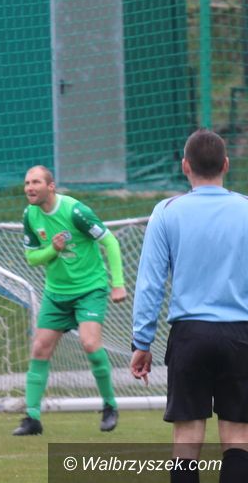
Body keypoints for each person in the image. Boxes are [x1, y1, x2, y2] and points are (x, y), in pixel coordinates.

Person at [130, 129, 248, 483]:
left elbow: (150, 284)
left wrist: (141, 342)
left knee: (186, 438)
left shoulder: (167, 212)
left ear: (185, 166)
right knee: (238, 435)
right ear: (226, 164)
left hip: (189, 335)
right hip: (240, 335)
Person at [12, 165, 126, 436]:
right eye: (27, 183)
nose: (30, 188)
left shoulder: (76, 211)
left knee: (90, 343)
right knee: (39, 348)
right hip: (56, 294)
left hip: (89, 289)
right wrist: (53, 248)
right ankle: (32, 418)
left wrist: (118, 284)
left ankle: (110, 406)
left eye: (36, 182)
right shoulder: (30, 215)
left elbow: (110, 242)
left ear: (51, 186)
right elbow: (32, 258)